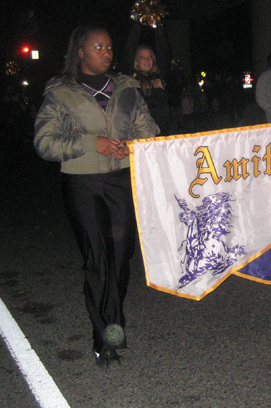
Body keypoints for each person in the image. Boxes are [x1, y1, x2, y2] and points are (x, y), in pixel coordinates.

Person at [34, 25, 158, 366]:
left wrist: (131, 145)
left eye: (109, 46)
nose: (106, 52)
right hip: (82, 184)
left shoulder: (127, 88)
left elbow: (149, 130)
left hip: (120, 181)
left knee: (120, 259)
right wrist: (93, 144)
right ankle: (106, 336)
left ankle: (109, 325)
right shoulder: (61, 93)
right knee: (98, 260)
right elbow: (45, 143)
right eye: (98, 46)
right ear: (80, 53)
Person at [132, 45, 170, 135]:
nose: (147, 60)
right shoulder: (133, 81)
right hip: (143, 131)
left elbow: (164, 51)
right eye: (142, 57)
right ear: (136, 61)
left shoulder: (159, 77)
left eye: (150, 57)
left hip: (163, 130)